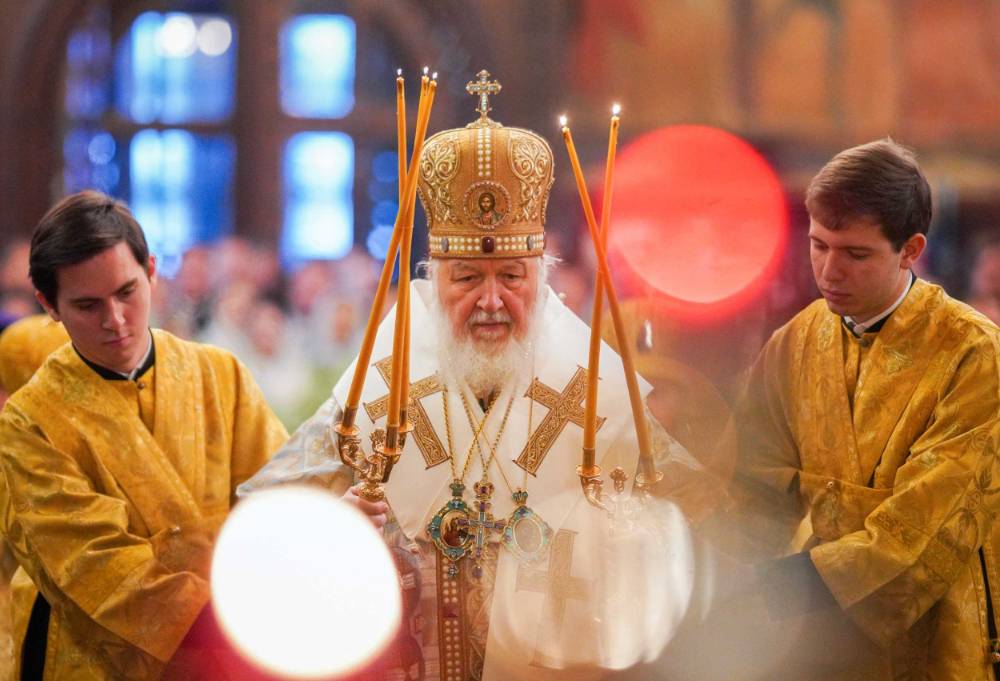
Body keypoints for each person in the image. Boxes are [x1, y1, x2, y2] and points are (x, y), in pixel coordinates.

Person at [239, 77, 705, 680]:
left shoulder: (595, 388)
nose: (490, 301)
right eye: (466, 279)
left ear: (543, 276)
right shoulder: (384, 381)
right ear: (435, 278)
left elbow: (699, 517)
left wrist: (633, 533)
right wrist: (337, 525)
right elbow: (262, 515)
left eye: (511, 276)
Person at [727, 139, 1000, 680]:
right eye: (817, 245)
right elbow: (746, 482)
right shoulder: (795, 341)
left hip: (931, 644)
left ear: (910, 249)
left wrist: (782, 585)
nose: (829, 272)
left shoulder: (974, 354)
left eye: (855, 254)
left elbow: (930, 526)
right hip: (809, 645)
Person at [0, 191, 288, 680]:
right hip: (94, 660)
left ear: (151, 270)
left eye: (127, 292)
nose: (115, 321)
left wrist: (330, 518)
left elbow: (280, 491)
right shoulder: (29, 421)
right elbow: (95, 566)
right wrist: (228, 626)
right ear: (49, 304)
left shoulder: (221, 374)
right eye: (88, 305)